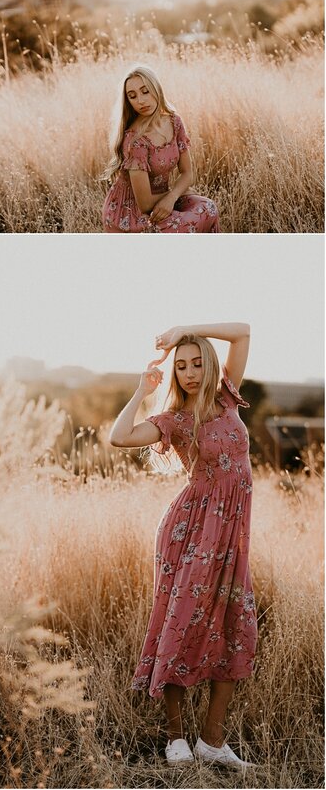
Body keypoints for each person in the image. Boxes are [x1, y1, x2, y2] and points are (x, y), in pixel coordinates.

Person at [109, 323, 256, 770]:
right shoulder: (175, 419)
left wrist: (188, 329)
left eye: (196, 363)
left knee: (236, 626)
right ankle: (175, 738)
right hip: (189, 533)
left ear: (209, 364)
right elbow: (119, 436)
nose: (190, 373)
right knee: (180, 625)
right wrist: (142, 390)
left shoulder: (228, 395)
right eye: (182, 366)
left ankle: (212, 741)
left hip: (233, 536)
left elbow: (243, 332)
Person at [101, 66, 219, 233]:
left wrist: (173, 196)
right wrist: (177, 193)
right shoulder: (135, 140)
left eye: (145, 91)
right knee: (183, 226)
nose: (140, 101)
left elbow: (187, 173)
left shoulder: (174, 122)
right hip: (131, 212)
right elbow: (145, 204)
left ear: (156, 89)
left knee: (209, 207)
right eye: (132, 96)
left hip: (164, 198)